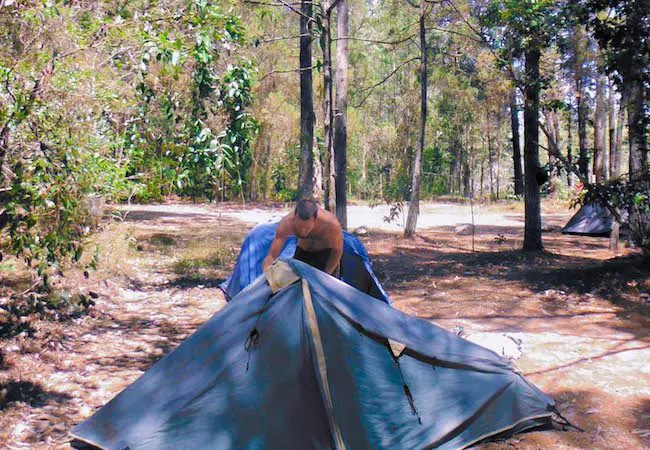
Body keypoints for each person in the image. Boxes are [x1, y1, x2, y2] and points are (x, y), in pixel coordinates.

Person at [262, 198, 343, 276]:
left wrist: (326, 275)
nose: (302, 231)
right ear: (295, 218)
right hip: (303, 251)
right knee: (295, 278)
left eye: (307, 228)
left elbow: (337, 252)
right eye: (299, 227)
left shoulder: (331, 225)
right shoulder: (286, 224)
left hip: (326, 254)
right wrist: (266, 271)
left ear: (315, 220)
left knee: (323, 282)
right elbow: (271, 256)